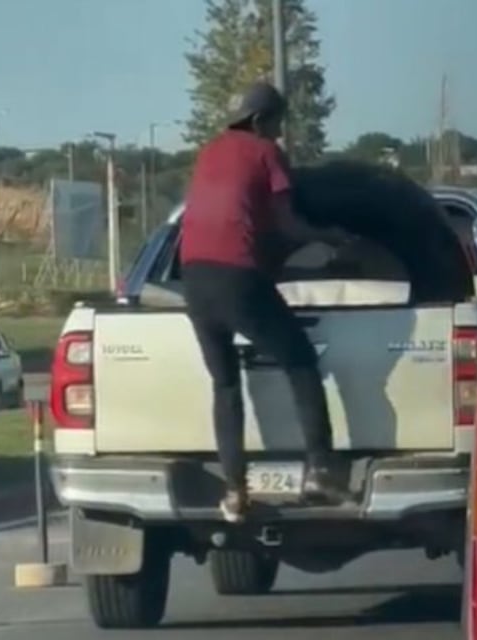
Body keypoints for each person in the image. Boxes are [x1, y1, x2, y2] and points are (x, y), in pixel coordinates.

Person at [179, 81, 349, 523]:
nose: (278, 133)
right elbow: (288, 225)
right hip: (237, 276)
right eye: (276, 124)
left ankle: (234, 491)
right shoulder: (264, 152)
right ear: (259, 120)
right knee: (299, 360)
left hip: (193, 278)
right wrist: (331, 237)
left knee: (225, 383)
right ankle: (320, 469)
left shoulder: (209, 152)